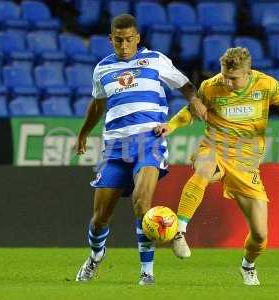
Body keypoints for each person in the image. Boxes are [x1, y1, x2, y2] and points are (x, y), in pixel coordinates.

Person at [154, 47, 279, 286]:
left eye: (233, 78)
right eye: (224, 76)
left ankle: (248, 266)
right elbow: (192, 111)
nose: (227, 83)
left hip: (246, 163)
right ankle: (179, 231)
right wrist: (171, 126)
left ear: (248, 72)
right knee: (204, 168)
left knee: (260, 236)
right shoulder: (211, 86)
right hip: (215, 147)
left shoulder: (265, 84)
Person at [74, 14, 206, 285]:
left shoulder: (156, 60)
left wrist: (195, 101)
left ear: (138, 38)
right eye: (119, 40)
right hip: (114, 147)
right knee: (100, 218)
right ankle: (96, 257)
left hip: (150, 141)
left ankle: (147, 273)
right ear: (111, 39)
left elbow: (185, 85)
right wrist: (83, 132)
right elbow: (97, 105)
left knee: (142, 205)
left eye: (129, 40)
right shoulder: (102, 69)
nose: (124, 45)